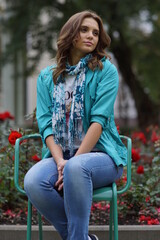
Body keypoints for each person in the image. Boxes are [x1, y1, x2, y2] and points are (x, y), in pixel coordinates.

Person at [24, 10, 127, 240]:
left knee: (75, 168)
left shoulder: (105, 71)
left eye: (95, 32)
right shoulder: (47, 77)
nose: (91, 36)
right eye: (84, 30)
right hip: (63, 156)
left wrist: (72, 163)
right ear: (71, 34)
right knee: (33, 180)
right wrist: (61, 161)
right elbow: (45, 123)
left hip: (102, 157)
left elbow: (98, 121)